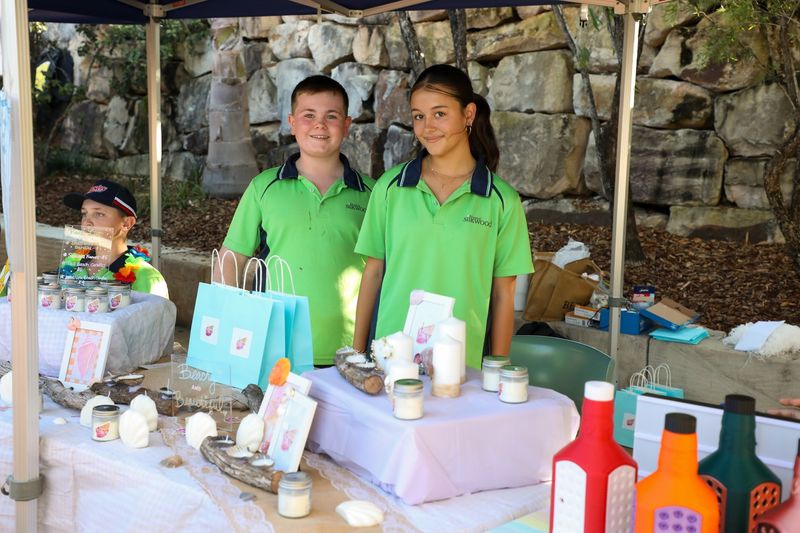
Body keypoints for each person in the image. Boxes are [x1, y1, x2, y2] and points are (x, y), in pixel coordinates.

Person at [352, 64, 533, 368]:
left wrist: (497, 372)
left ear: (468, 114)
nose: (427, 127)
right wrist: (357, 357)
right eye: (418, 116)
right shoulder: (390, 188)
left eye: (439, 114)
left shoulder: (502, 201)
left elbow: (504, 293)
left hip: (462, 365)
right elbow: (372, 274)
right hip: (390, 359)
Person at [218, 75, 374, 366]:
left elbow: (382, 270)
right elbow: (231, 259)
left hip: (351, 350)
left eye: (331, 116)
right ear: (291, 123)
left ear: (347, 125)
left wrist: (366, 344)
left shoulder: (372, 193)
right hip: (277, 348)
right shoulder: (264, 187)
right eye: (308, 115)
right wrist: (230, 323)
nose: (320, 125)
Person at [62, 179, 169, 298]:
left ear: (127, 223)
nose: (87, 223)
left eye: (99, 214)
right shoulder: (72, 262)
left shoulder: (147, 277)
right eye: (84, 213)